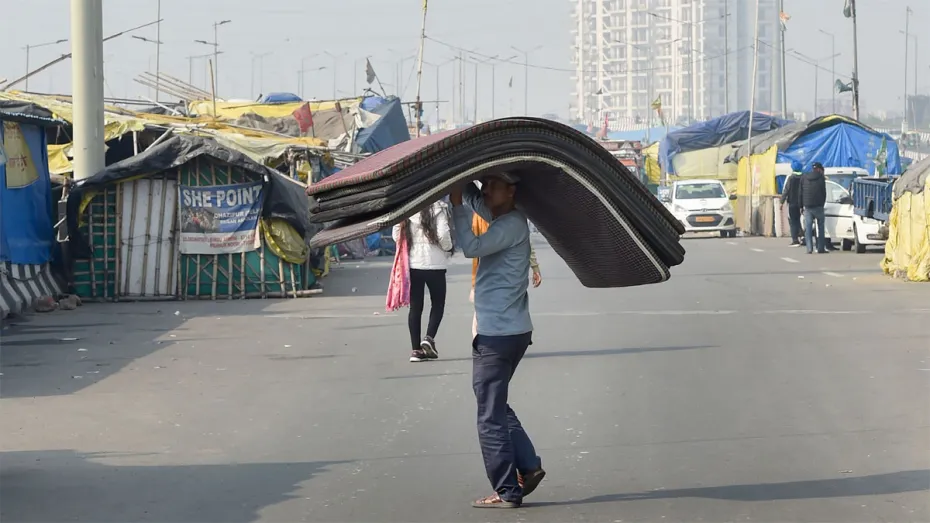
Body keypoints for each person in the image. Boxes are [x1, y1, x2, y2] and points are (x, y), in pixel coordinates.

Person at [450, 174, 545, 510]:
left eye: (492, 185)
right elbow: (479, 201)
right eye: (484, 184)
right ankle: (528, 465)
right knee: (494, 403)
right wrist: (462, 181)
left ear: (512, 191)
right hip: (510, 331)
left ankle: (507, 490)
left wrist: (456, 204)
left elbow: (472, 248)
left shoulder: (511, 225)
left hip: (497, 335)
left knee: (489, 415)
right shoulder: (505, 216)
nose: (486, 190)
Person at [392, 201, 453, 362]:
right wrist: (448, 248)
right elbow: (443, 235)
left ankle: (416, 351)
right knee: (438, 304)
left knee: (415, 307)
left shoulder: (406, 208)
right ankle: (429, 338)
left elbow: (396, 235)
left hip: (413, 264)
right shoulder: (438, 207)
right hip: (436, 263)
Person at [470, 212, 542, 338]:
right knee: (485, 312)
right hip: (497, 274)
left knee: (486, 311)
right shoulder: (483, 216)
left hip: (500, 274)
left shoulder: (511, 216)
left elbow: (525, 242)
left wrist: (535, 266)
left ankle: (489, 339)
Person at [799, 162, 828, 254]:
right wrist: (822, 204)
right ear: (819, 169)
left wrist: (801, 206)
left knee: (808, 227)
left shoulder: (804, 177)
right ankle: (821, 248)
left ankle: (809, 248)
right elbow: (824, 193)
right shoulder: (821, 178)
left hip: (807, 206)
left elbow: (800, 193)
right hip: (818, 206)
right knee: (821, 227)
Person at [780, 160, 804, 246]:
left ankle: (795, 239)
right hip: (802, 203)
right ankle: (803, 237)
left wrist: (781, 202)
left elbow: (786, 191)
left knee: (793, 221)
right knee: (800, 220)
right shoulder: (804, 177)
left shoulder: (791, 178)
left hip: (792, 203)